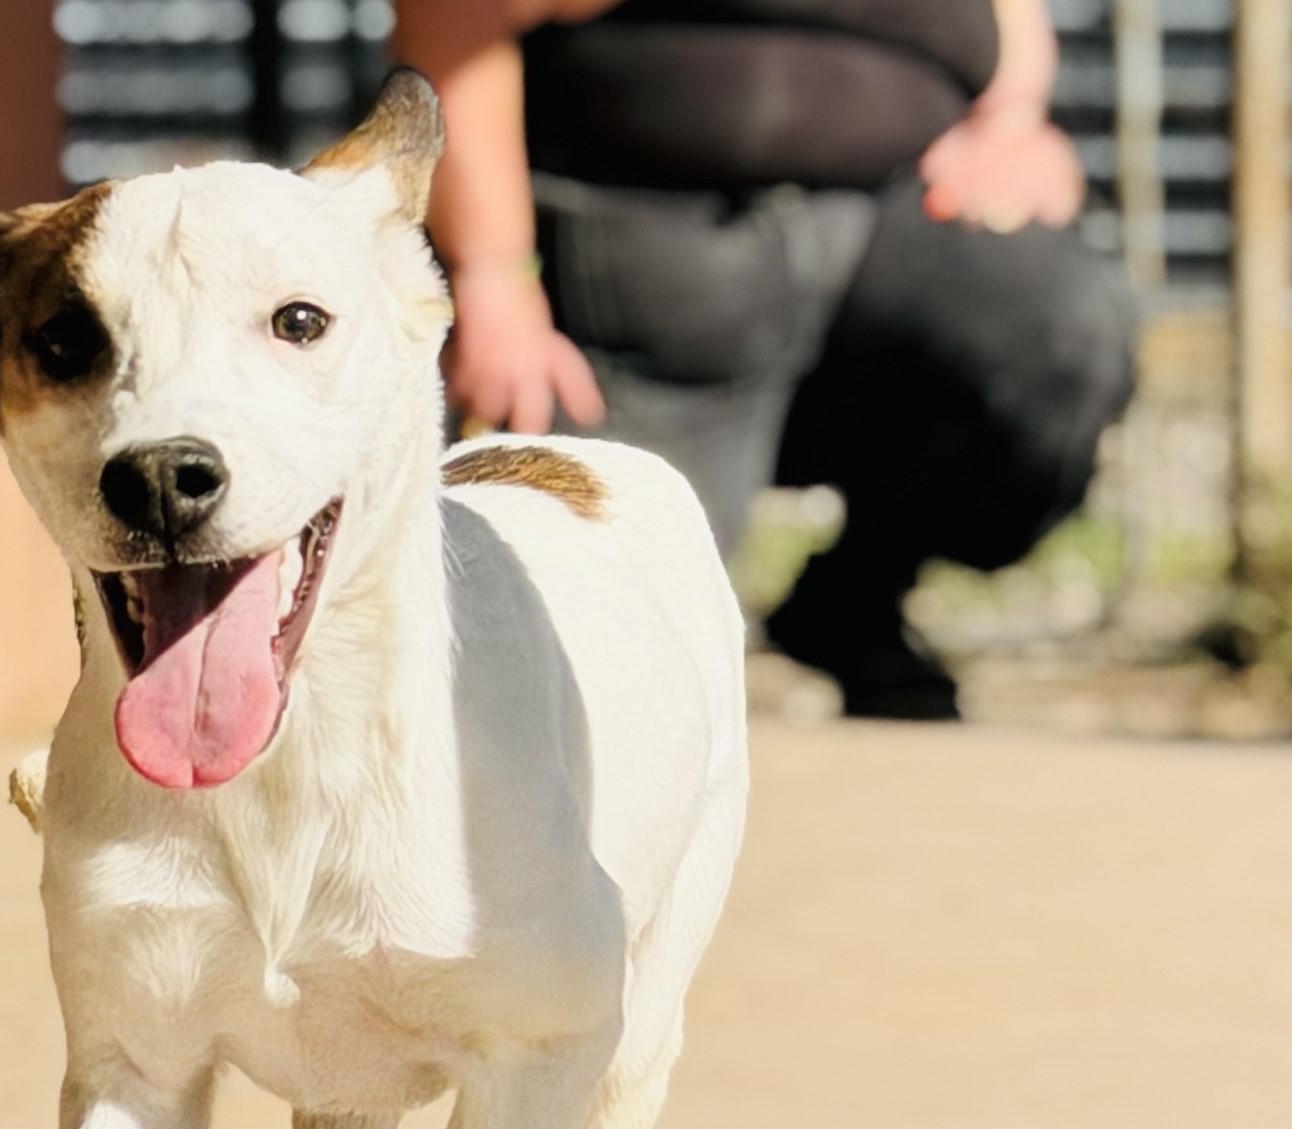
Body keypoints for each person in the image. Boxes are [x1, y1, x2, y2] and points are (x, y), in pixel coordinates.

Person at [393, 0, 1137, 718]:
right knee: (602, 653)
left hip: (892, 229)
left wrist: (1013, 123)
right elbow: (456, 19)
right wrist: (492, 274)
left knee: (1061, 335)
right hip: (636, 270)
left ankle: (853, 599)